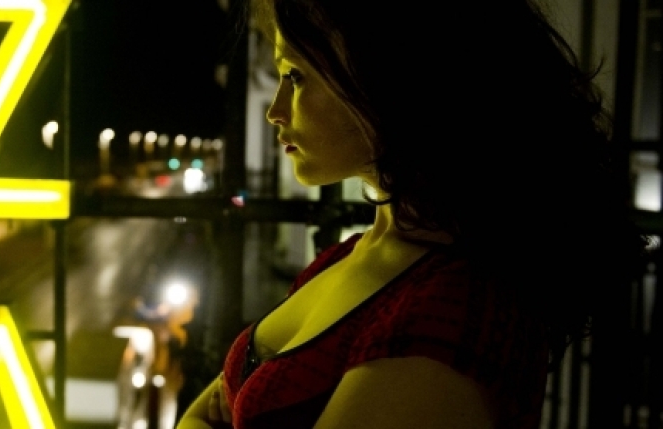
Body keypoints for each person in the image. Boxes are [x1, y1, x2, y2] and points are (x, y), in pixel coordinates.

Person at [176, 0, 647, 428]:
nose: (276, 111)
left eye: (295, 75)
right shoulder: (356, 256)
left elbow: (211, 412)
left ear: (388, 76)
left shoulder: (453, 315)